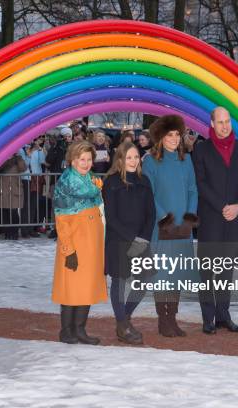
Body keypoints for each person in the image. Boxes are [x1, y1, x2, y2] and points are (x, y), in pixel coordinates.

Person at [192, 107, 238, 335]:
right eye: (220, 122)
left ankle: (223, 315)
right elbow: (201, 183)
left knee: (226, 271)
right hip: (211, 219)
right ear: (212, 124)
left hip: (235, 220)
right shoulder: (201, 150)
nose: (225, 126)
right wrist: (222, 207)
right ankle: (208, 318)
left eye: (227, 121)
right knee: (208, 271)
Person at [143, 115, 198, 337]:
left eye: (177, 134)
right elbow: (149, 193)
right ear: (161, 137)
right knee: (163, 275)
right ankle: (163, 320)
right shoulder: (150, 161)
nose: (174, 139)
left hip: (182, 228)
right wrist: (164, 218)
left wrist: (189, 216)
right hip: (162, 227)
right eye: (170, 135)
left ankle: (172, 318)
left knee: (177, 274)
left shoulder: (186, 160)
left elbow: (193, 189)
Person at [52, 140, 108, 345]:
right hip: (75, 244)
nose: (85, 163)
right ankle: (66, 331)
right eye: (81, 159)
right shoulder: (66, 184)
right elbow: (62, 219)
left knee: (87, 288)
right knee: (71, 289)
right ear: (72, 161)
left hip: (92, 244)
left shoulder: (93, 181)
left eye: (88, 159)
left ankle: (80, 329)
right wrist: (69, 250)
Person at [102, 141, 155, 344]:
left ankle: (123, 318)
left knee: (142, 282)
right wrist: (131, 240)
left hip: (141, 240)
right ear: (121, 159)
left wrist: (143, 239)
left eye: (135, 157)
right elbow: (111, 218)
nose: (133, 161)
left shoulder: (145, 181)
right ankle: (123, 326)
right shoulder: (111, 182)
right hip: (118, 240)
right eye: (129, 157)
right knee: (120, 282)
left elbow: (151, 214)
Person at [0, 153, 26, 240]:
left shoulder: (18, 158)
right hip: (3, 189)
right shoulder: (1, 157)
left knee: (14, 212)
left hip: (14, 188)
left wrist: (18, 158)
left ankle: (14, 232)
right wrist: (7, 159)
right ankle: (7, 233)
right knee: (5, 212)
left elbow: (23, 168)